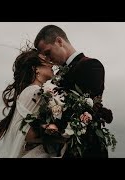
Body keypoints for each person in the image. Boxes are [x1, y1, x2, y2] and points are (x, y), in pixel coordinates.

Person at [34, 25, 113, 158]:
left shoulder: (92, 65)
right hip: (63, 149)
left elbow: (86, 107)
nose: (48, 59)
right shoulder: (57, 76)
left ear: (59, 41)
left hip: (88, 149)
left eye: (48, 52)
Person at [0, 47, 56, 158]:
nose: (51, 64)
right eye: (45, 61)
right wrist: (62, 134)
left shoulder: (30, 92)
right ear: (36, 69)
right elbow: (28, 135)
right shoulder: (34, 92)